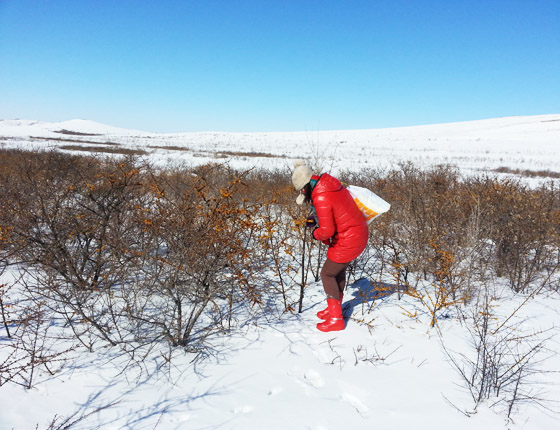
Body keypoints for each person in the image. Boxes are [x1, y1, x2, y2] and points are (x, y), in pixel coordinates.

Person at [291, 160, 369, 332]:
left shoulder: (321, 196)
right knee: (337, 271)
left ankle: (336, 319)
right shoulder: (328, 185)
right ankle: (335, 309)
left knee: (327, 274)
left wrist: (314, 233)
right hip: (356, 234)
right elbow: (333, 213)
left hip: (349, 239)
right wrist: (315, 220)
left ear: (305, 187)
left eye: (303, 193)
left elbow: (326, 231)